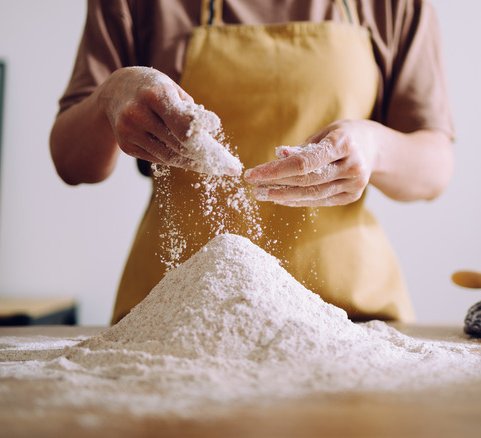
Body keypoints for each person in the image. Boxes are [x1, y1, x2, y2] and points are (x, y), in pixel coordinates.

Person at [50, 0, 455, 324]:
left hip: (348, 318)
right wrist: (111, 96)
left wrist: (373, 147)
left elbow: (435, 167)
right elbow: (72, 163)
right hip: (175, 319)